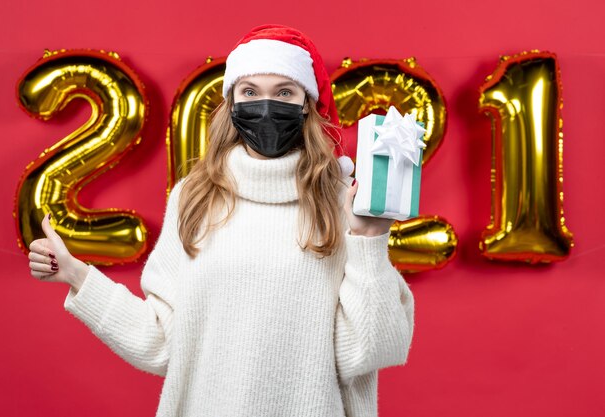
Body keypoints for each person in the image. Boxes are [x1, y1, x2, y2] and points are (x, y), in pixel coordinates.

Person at [27, 24, 415, 417]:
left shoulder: (342, 199)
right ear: (231, 104)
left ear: (307, 105)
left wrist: (368, 239)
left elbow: (369, 349)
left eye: (284, 92)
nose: (266, 106)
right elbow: (163, 342)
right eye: (250, 92)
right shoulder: (194, 199)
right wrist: (77, 275)